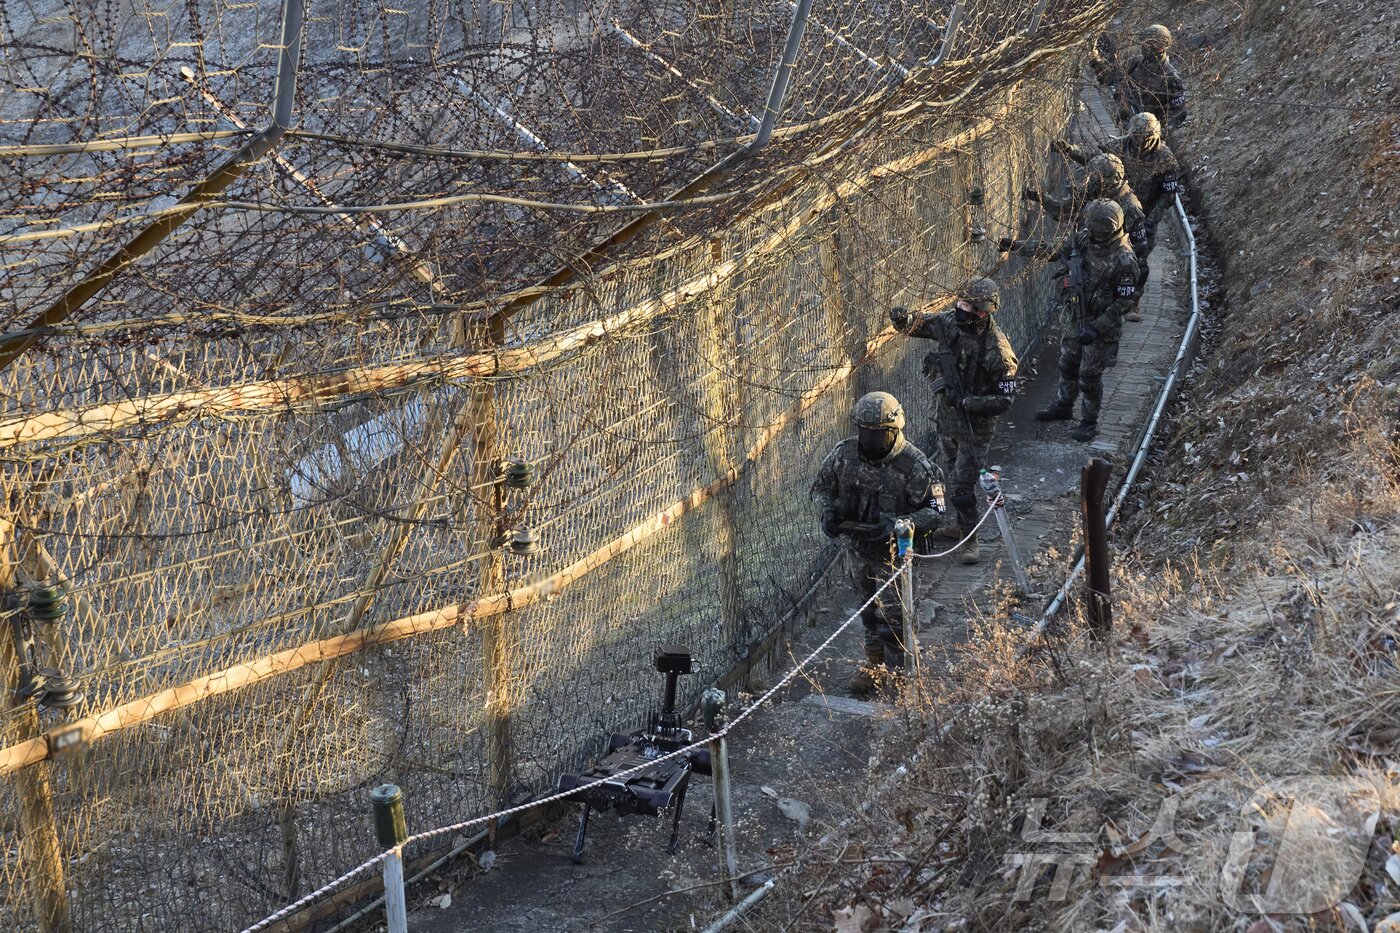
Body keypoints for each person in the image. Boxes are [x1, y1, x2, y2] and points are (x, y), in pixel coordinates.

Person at [811, 392, 941, 696]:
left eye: (877, 434)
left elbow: (938, 511)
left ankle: (901, 677)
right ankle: (874, 665)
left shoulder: (916, 467)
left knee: (895, 621)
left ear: (893, 431)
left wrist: (901, 524)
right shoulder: (844, 455)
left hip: (896, 556)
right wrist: (827, 512)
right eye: (864, 432)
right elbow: (820, 489)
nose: (869, 439)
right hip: (859, 549)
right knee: (869, 612)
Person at [888, 278, 1018, 565]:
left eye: (967, 305)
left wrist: (968, 403)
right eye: (959, 301)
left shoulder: (998, 350)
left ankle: (970, 542)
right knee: (948, 476)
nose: (959, 307)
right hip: (946, 422)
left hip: (974, 429)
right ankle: (959, 526)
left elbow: (1005, 399)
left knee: (961, 487)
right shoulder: (950, 324)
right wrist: (903, 319)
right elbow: (920, 324)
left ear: (983, 312)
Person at [998, 199, 1140, 442]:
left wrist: (1097, 327)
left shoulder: (1124, 260)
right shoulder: (1084, 240)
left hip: (1101, 327)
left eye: (1096, 230)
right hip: (1076, 317)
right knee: (1067, 364)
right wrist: (1017, 246)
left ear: (1108, 229)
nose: (1091, 233)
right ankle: (1063, 405)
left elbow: (1125, 301)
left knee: (1090, 376)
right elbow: (1053, 250)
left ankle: (1089, 422)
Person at [1024, 153, 1148, 319]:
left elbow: (1140, 251)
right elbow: (1065, 210)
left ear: (1111, 179)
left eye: (1097, 177)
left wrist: (1127, 290)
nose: (1092, 180)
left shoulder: (1130, 207)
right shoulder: (1094, 195)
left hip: (1115, 260)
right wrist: (1041, 198)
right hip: (1090, 251)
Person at [1115, 24, 1187, 130]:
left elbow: (1179, 111)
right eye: (1146, 43)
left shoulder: (1170, 76)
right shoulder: (1136, 63)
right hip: (1129, 125)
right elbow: (1117, 83)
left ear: (1163, 45)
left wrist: (1160, 130)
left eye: (1152, 43)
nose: (1147, 47)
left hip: (1150, 131)